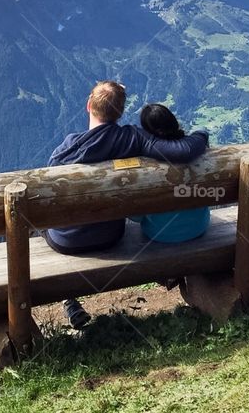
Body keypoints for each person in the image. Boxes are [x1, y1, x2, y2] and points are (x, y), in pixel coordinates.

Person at [43, 81, 209, 329]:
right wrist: (201, 134)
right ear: (120, 113)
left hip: (67, 242)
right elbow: (183, 150)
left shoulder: (65, 151)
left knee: (40, 224)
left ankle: (69, 299)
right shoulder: (131, 138)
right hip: (110, 236)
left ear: (88, 106)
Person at [130, 104, 211, 243]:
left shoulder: (144, 164)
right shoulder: (195, 150)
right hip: (198, 227)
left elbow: (136, 217)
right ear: (173, 122)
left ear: (147, 132)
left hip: (159, 233)